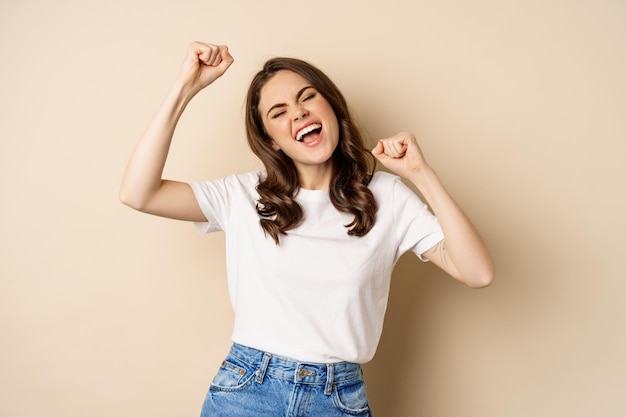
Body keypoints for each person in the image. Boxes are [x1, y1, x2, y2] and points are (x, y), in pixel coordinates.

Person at [120, 41, 495, 417]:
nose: (298, 114)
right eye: (279, 112)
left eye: (308, 98)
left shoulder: (387, 197)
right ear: (270, 138)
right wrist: (186, 87)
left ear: (331, 106)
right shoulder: (243, 195)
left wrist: (421, 175)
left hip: (338, 399)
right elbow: (139, 193)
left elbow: (477, 272)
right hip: (246, 391)